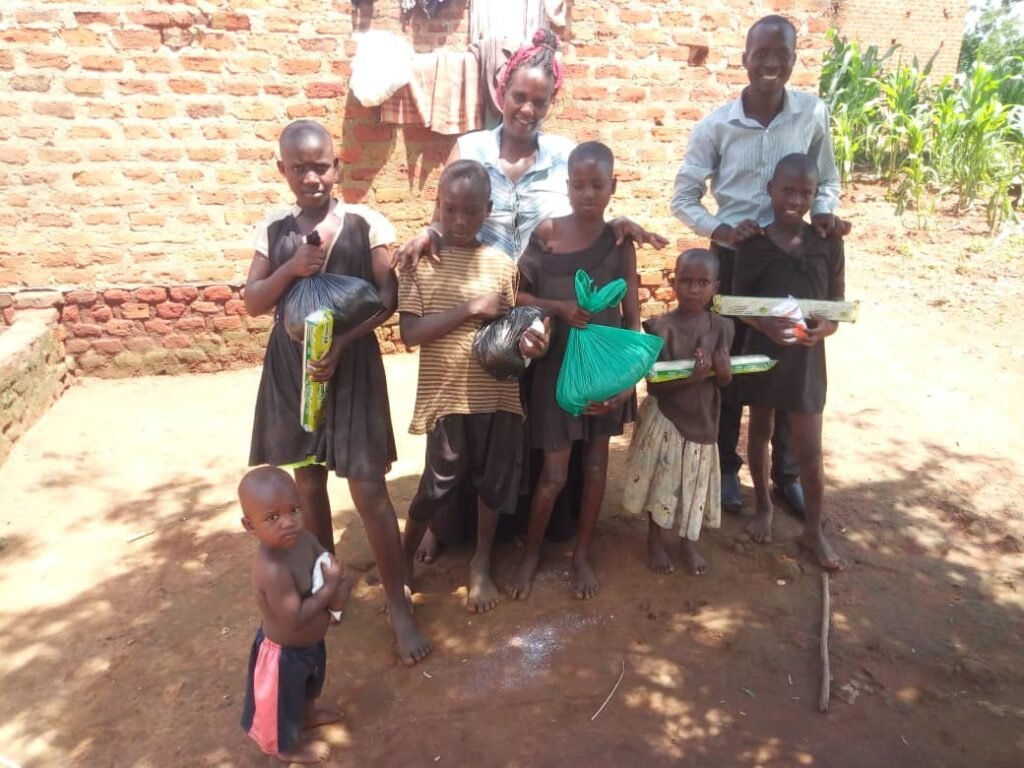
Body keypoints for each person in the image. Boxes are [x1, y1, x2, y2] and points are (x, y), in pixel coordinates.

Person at [394, 30, 667, 562]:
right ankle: (445, 522)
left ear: (550, 104)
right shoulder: (470, 147)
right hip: (482, 295)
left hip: (539, 302)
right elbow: (445, 210)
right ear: (502, 91)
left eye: (539, 100)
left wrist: (621, 224)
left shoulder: (564, 155)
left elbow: (588, 209)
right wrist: (428, 234)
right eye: (519, 95)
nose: (527, 108)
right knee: (466, 407)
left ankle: (526, 529)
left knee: (525, 414)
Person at [244, 119, 431, 665]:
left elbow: (385, 298)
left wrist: (343, 344)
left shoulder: (365, 223)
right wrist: (291, 269)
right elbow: (255, 302)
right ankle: (326, 587)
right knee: (307, 486)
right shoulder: (274, 230)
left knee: (369, 489)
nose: (311, 177)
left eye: (320, 165)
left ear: (337, 165)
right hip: (292, 370)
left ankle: (398, 605)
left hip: (349, 366)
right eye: (298, 167)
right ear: (283, 170)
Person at [671, 14, 850, 520]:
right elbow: (683, 196)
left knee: (790, 355)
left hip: (790, 256)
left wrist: (825, 213)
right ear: (745, 57)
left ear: (794, 60)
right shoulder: (718, 125)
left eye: (782, 55)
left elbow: (828, 180)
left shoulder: (812, 114)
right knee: (731, 359)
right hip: (735, 257)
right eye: (761, 54)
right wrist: (721, 229)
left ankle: (786, 474)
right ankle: (727, 468)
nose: (771, 64)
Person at [398, 160, 543, 613]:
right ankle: (402, 562)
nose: (460, 222)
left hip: (496, 395)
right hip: (446, 396)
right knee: (435, 486)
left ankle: (480, 563)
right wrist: (470, 307)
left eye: (471, 211)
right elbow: (410, 334)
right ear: (437, 205)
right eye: (451, 209)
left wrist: (531, 344)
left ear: (489, 209)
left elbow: (509, 333)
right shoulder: (418, 262)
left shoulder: (501, 264)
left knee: (493, 484)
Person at [508, 141, 639, 600]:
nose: (588, 194)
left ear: (612, 186)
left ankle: (582, 553)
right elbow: (515, 295)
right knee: (554, 474)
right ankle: (531, 555)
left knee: (598, 464)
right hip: (557, 372)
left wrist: (625, 385)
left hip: (605, 374)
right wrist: (558, 307)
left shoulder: (621, 243)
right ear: (566, 187)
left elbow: (633, 323)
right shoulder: (547, 234)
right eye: (579, 185)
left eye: (597, 185)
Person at [733, 153, 846, 571]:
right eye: (787, 190)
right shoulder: (752, 245)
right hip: (763, 353)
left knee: (810, 449)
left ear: (815, 197)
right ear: (770, 191)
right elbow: (737, 302)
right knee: (759, 430)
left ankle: (813, 531)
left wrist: (825, 330)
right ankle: (762, 504)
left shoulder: (828, 243)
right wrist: (762, 326)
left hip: (805, 357)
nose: (795, 200)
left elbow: (835, 304)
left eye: (805, 193)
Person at [623, 248, 734, 576]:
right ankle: (655, 539)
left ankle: (688, 540)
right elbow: (655, 386)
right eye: (686, 281)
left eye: (703, 282)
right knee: (661, 480)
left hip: (703, 420)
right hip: (667, 418)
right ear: (673, 282)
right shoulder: (660, 329)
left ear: (716, 287)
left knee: (694, 482)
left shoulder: (724, 328)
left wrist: (723, 373)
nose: (694, 289)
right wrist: (693, 378)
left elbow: (725, 382)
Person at [238, 466, 349, 764]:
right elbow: (294, 617)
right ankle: (283, 747)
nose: (288, 522)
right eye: (272, 517)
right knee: (280, 705)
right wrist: (330, 588)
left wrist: (336, 580)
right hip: (283, 655)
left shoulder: (306, 539)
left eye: (294, 510)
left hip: (311, 644)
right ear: (250, 525)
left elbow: (324, 560)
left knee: (310, 685)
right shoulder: (272, 567)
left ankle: (308, 715)